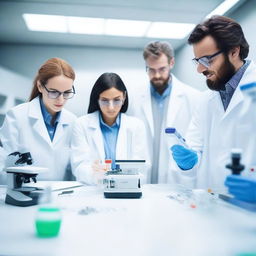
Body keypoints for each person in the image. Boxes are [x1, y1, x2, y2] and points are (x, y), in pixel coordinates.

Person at [171, 15, 256, 189]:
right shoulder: (206, 100)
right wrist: (187, 164)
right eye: (197, 61)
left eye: (207, 60)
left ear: (234, 51)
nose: (200, 69)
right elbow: (195, 155)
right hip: (213, 206)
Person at [129, 41, 200, 184]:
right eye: (151, 70)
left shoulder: (193, 97)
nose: (156, 75)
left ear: (171, 63)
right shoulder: (133, 97)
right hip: (142, 178)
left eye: (162, 69)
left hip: (177, 179)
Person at [0, 57, 76, 181]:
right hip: (26, 191)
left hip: (61, 195)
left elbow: (75, 166)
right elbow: (6, 165)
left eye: (66, 93)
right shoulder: (17, 116)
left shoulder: (73, 121)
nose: (61, 100)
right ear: (40, 86)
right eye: (54, 92)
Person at [71, 72, 149, 184]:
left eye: (117, 100)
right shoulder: (81, 124)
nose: (111, 107)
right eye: (104, 100)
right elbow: (78, 166)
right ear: (97, 99)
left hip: (126, 189)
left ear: (124, 97)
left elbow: (142, 166)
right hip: (94, 190)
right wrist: (93, 173)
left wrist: (124, 179)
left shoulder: (136, 126)